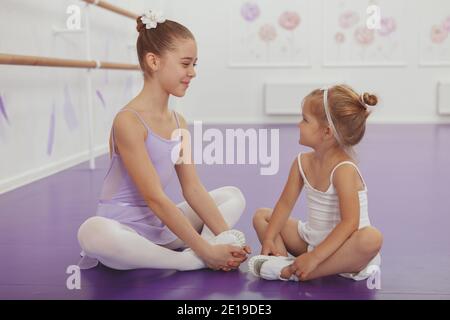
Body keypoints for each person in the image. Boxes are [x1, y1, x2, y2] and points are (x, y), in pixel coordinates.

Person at [77, 11, 250, 272]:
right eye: (185, 63)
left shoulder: (179, 122)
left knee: (232, 196)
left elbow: (192, 189)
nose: (192, 72)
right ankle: (189, 259)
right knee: (92, 232)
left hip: (160, 230)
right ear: (153, 61)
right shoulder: (128, 121)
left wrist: (228, 239)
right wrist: (207, 251)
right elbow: (154, 197)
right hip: (124, 232)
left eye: (195, 64)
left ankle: (203, 250)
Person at [249, 84, 383, 282]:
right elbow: (285, 204)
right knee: (262, 217)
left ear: (327, 132)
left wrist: (314, 258)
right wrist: (269, 238)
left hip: (346, 250)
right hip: (313, 241)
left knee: (372, 238)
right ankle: (287, 264)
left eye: (305, 119)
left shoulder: (343, 169)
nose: (298, 124)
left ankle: (304, 272)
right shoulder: (301, 162)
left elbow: (350, 224)